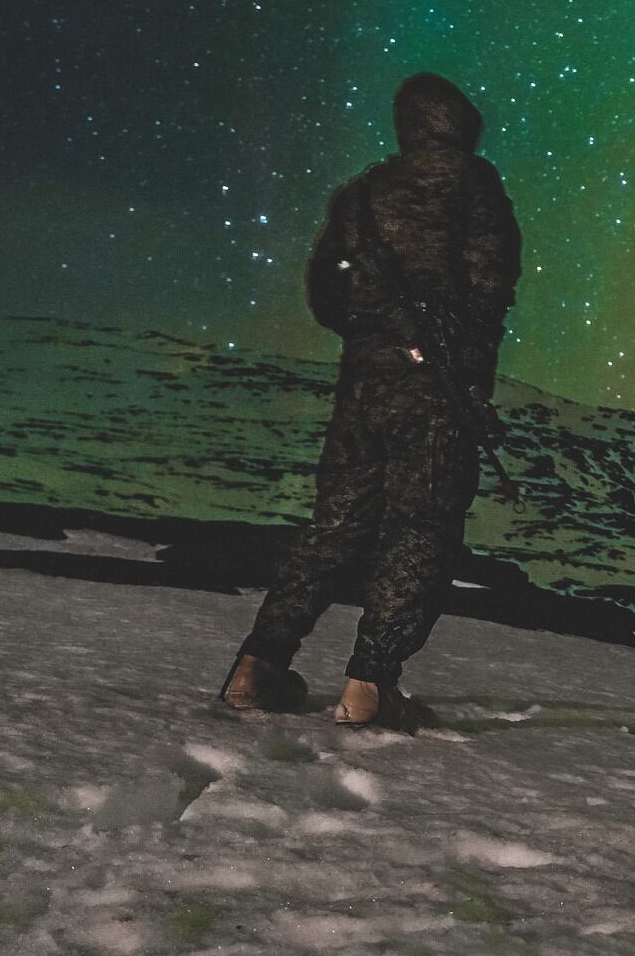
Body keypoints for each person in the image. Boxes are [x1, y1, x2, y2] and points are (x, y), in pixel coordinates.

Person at [221, 72, 522, 726]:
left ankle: (257, 664)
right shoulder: (475, 185)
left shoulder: (360, 195)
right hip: (435, 394)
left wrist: (375, 334)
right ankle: (371, 685)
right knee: (422, 526)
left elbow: (325, 293)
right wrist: (462, 370)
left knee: (335, 525)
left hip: (362, 384)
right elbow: (489, 290)